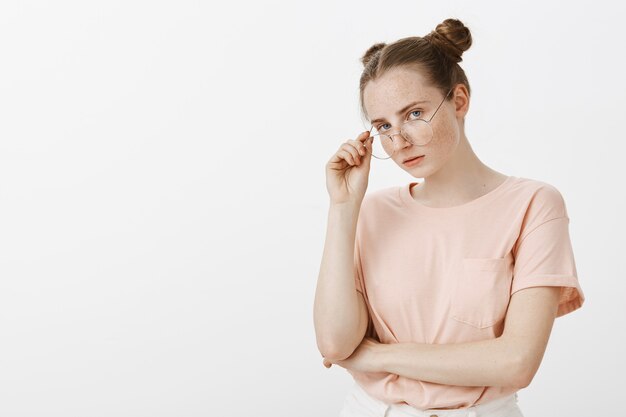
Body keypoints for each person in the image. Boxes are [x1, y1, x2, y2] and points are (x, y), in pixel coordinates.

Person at [313, 18, 585, 417]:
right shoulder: (372, 211)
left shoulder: (533, 204)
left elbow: (517, 362)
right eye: (384, 125)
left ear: (459, 100)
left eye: (415, 113)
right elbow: (335, 345)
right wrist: (342, 208)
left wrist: (377, 358)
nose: (399, 140)